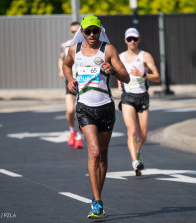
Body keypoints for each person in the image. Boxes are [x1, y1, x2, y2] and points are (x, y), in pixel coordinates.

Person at [62, 15, 130, 219]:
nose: (92, 35)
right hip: (84, 108)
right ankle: (98, 202)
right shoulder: (74, 50)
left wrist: (113, 72)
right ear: (81, 32)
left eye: (95, 31)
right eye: (88, 31)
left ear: (100, 31)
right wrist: (70, 79)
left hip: (105, 107)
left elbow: (126, 77)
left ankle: (95, 197)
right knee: (93, 152)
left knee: (102, 155)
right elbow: (66, 65)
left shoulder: (108, 50)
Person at [118, 28, 160, 176]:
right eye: (129, 39)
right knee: (132, 131)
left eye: (134, 39)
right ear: (125, 40)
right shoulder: (120, 57)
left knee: (142, 136)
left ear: (138, 40)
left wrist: (142, 74)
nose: (132, 42)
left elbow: (157, 77)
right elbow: (118, 71)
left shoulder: (145, 56)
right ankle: (135, 161)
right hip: (128, 97)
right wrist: (119, 81)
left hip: (142, 97)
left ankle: (137, 151)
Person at [58, 21, 83, 149]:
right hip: (70, 80)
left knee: (80, 111)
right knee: (70, 110)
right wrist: (61, 71)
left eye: (77, 31)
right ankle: (72, 130)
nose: (75, 34)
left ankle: (79, 136)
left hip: (83, 81)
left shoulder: (85, 44)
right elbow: (61, 59)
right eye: (73, 31)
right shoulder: (66, 45)